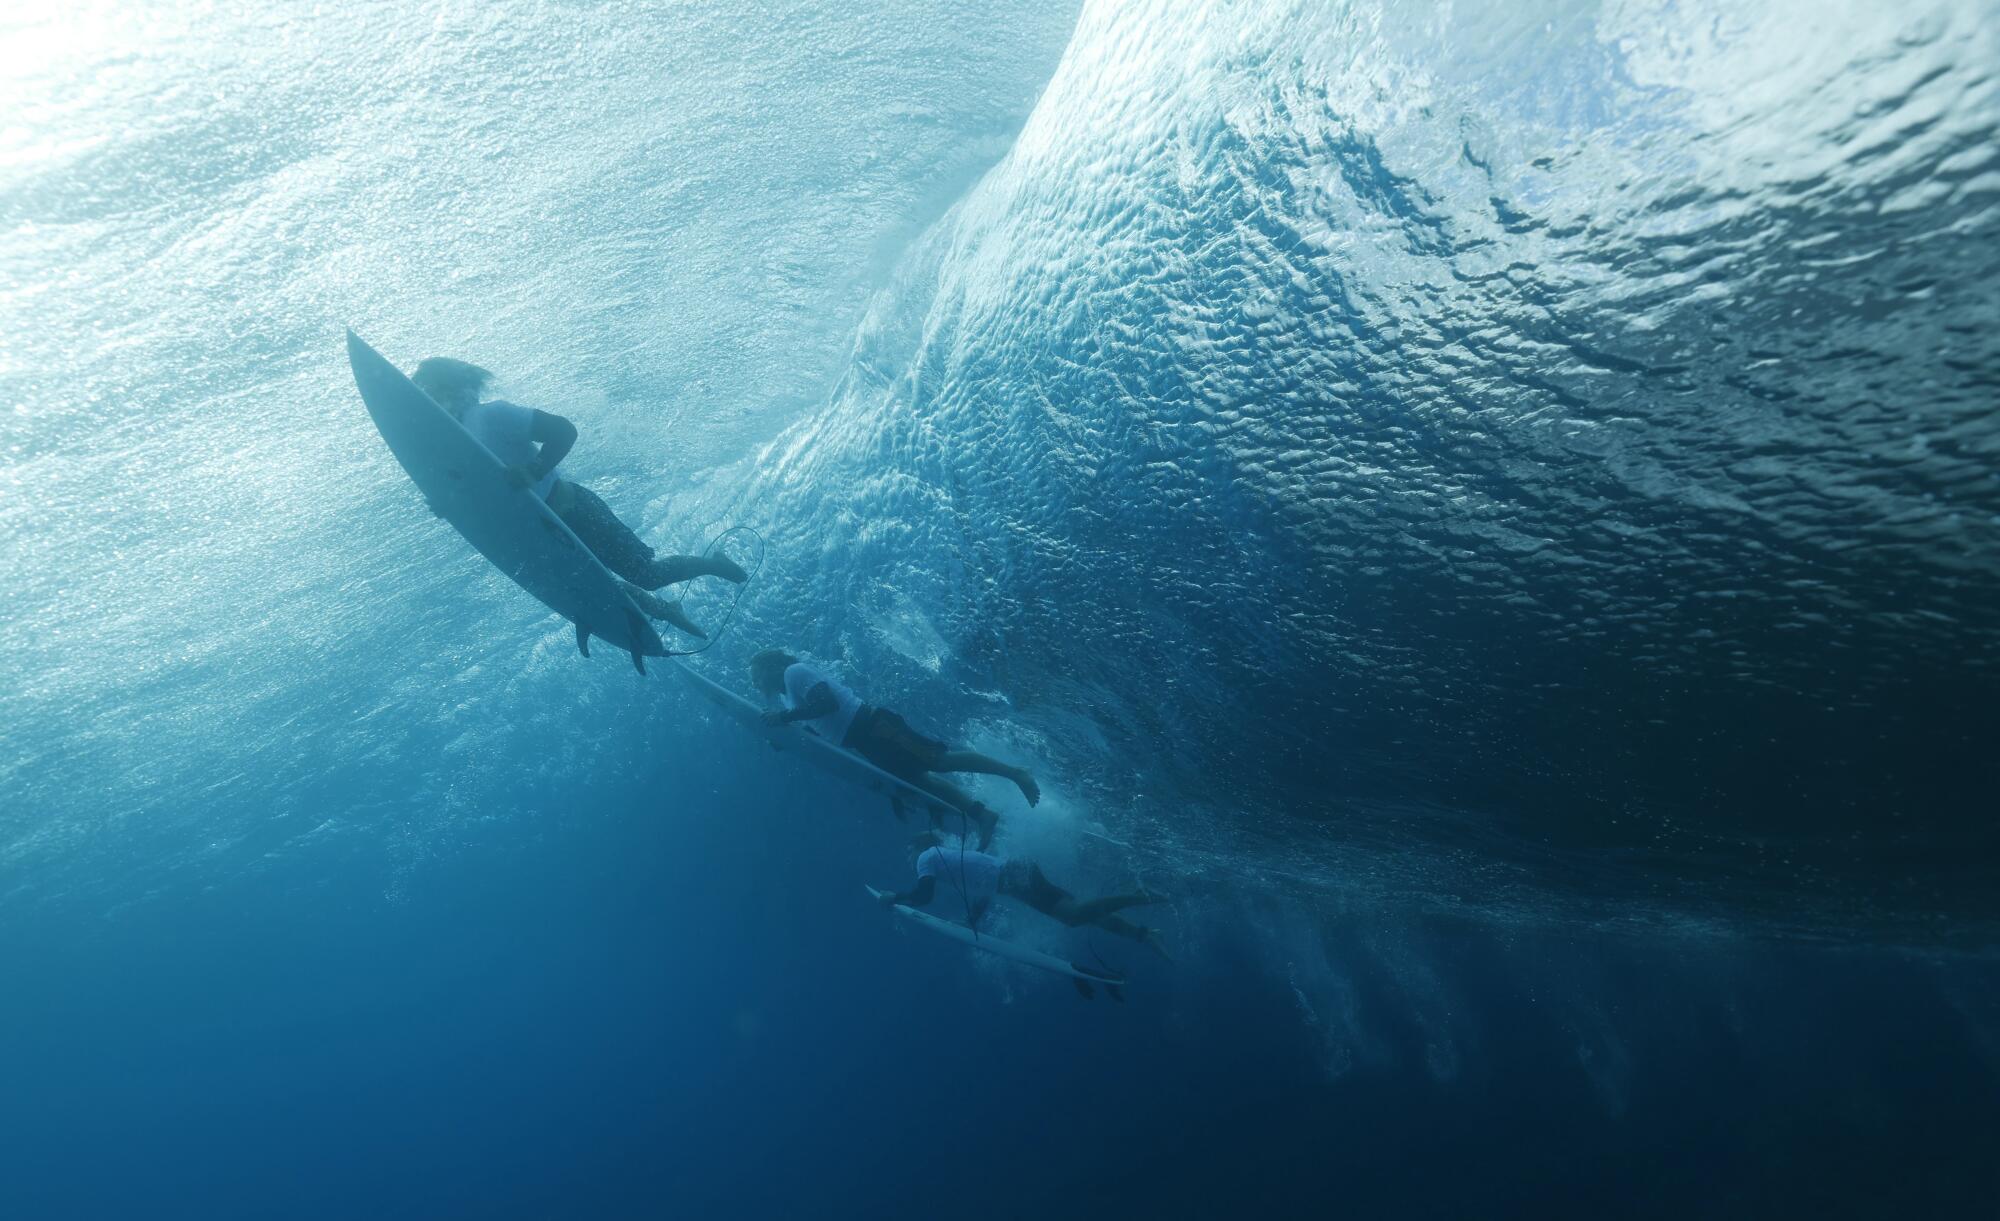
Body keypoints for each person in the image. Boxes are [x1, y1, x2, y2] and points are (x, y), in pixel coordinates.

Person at [409, 356, 745, 637]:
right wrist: (448, 505)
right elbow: (483, 498)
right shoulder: (458, 447)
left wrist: (534, 470)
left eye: (430, 392)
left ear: (448, 389)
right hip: (543, 533)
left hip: (575, 510)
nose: (431, 401)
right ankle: (666, 610)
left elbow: (563, 430)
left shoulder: (491, 415)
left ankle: (714, 563)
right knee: (600, 587)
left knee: (647, 575)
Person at [748, 648, 1039, 848]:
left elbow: (827, 704)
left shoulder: (794, 673)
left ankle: (1016, 773)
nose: (755, 682)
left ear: (770, 666)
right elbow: (816, 726)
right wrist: (784, 739)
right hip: (865, 743)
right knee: (922, 781)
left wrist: (785, 718)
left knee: (939, 761)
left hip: (875, 727)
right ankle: (982, 815)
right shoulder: (787, 698)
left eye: (756, 675)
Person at [879, 833, 1168, 956]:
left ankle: (1138, 896)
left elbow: (923, 895)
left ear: (920, 845)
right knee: (1080, 914)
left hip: (1015, 877)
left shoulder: (926, 857)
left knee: (1074, 917)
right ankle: (1142, 933)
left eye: (909, 848)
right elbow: (984, 887)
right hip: (1018, 872)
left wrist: (895, 897)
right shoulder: (947, 859)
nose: (907, 854)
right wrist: (973, 921)